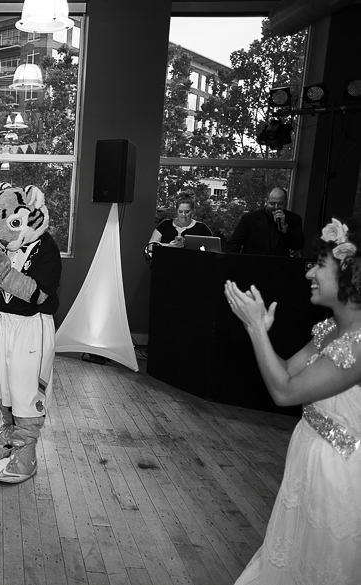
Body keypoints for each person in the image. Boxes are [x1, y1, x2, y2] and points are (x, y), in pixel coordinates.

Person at [224, 217, 361, 584]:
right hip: (308, 458)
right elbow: (286, 370)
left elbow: (284, 391)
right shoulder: (332, 328)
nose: (308, 274)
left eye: (319, 265)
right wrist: (261, 334)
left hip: (342, 475)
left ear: (350, 272)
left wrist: (255, 330)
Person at [0, 183, 61, 484]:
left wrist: (4, 274)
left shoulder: (47, 249)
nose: (4, 233)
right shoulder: (5, 246)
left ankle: (27, 455)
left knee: (26, 390)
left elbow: (38, 294)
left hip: (31, 326)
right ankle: (11, 432)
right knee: (4, 384)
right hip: (4, 322)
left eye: (13, 223)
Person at [226, 186, 305, 255]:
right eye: (272, 203)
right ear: (266, 201)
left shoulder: (294, 219)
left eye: (280, 203)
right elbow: (234, 244)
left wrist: (284, 228)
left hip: (280, 267)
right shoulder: (250, 219)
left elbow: (298, 245)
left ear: (286, 203)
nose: (276, 207)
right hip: (253, 266)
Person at [148, 195, 213, 250]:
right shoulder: (165, 225)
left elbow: (212, 249)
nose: (183, 215)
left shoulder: (202, 228)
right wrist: (168, 246)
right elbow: (150, 246)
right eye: (180, 212)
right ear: (176, 211)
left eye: (187, 212)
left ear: (193, 211)